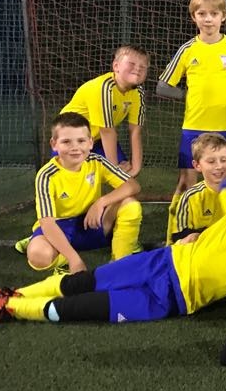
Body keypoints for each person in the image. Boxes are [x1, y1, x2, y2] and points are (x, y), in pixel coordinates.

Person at [0, 184, 226, 327]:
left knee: (76, 309)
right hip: (161, 261)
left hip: (171, 299)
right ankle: (15, 293)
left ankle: (11, 308)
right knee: (82, 282)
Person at [156, 0, 226, 198]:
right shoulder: (187, 50)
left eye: (214, 13)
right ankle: (178, 219)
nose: (208, 19)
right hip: (194, 126)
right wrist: (186, 95)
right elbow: (162, 86)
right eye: (202, 13)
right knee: (187, 182)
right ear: (193, 17)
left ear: (223, 16)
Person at [20, 112, 141, 275]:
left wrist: (101, 202)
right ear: (54, 144)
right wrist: (73, 259)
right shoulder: (46, 175)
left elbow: (132, 186)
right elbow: (47, 223)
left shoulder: (96, 161)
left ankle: (120, 262)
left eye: (81, 141)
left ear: (90, 142)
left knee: (130, 204)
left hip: (92, 223)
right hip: (60, 228)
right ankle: (63, 259)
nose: (75, 147)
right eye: (66, 142)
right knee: (38, 254)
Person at [59, 45, 149, 176]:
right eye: (132, 63)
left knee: (127, 180)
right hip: (71, 140)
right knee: (79, 182)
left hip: (97, 140)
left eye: (143, 67)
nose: (138, 68)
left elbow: (135, 130)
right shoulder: (103, 88)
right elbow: (106, 131)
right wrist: (114, 170)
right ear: (116, 66)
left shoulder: (138, 93)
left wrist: (135, 168)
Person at [165, 132, 226, 245]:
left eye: (223, 160)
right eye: (211, 161)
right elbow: (179, 237)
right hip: (199, 250)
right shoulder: (191, 197)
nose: (219, 166)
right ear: (197, 165)